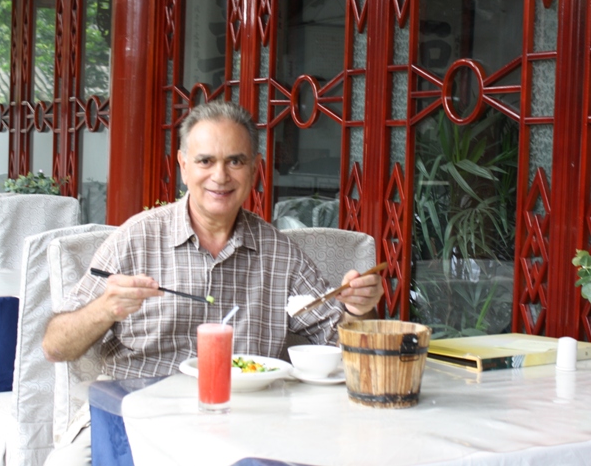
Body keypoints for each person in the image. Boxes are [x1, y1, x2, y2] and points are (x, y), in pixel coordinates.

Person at [41, 100, 383, 463]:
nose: (220, 176)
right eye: (206, 161)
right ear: (183, 166)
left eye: (235, 161)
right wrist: (103, 309)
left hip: (244, 423)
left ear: (255, 170)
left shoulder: (279, 253)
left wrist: (357, 309)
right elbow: (54, 346)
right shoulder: (136, 239)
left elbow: (344, 345)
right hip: (133, 413)